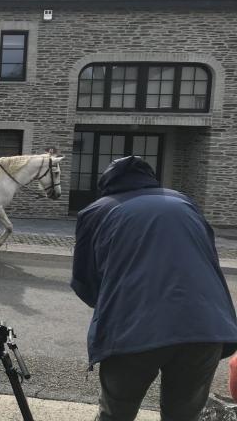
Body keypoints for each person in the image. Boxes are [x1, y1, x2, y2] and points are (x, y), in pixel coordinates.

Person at [71, 155, 237, 421]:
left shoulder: (96, 211)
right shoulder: (184, 202)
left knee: (116, 414)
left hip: (134, 329)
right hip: (205, 328)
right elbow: (207, 261)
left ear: (108, 184)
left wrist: (111, 306)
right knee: (183, 416)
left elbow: (84, 281)